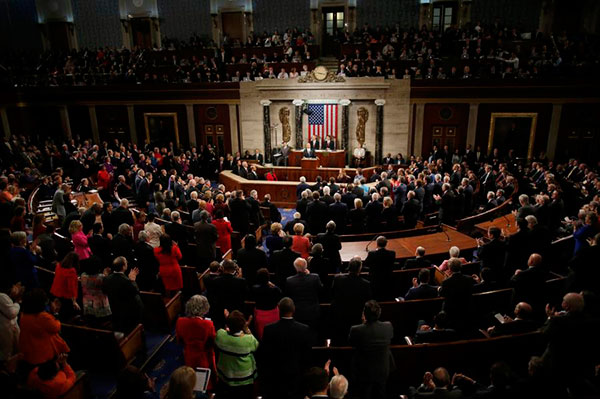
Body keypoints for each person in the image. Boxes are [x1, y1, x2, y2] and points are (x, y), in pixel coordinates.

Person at [260, 297, 312, 399]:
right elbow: (307, 357)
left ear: (279, 309)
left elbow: (264, 356)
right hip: (296, 379)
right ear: (294, 310)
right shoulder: (304, 330)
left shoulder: (269, 329)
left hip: (274, 380)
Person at [348, 300, 394, 399]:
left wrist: (363, 324)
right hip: (383, 370)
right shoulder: (388, 326)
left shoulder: (356, 330)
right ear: (379, 313)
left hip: (363, 372)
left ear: (364, 314)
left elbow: (352, 343)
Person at [19, 288, 70, 366]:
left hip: (28, 354)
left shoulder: (23, 315)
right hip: (42, 356)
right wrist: (55, 312)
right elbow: (56, 327)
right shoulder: (43, 317)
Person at [215, 310, 258, 399]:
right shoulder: (249, 340)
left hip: (225, 379)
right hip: (245, 380)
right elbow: (256, 345)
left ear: (228, 325)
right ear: (243, 325)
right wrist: (246, 329)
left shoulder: (220, 336)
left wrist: (228, 320)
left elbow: (223, 331)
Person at [331, 256, 373, 345]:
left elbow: (333, 294)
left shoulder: (337, 279)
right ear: (359, 269)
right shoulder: (365, 284)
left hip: (339, 316)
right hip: (356, 317)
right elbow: (368, 300)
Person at [176, 295, 216, 387]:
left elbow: (179, 340)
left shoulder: (180, 321)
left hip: (188, 354)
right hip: (203, 356)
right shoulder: (208, 324)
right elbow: (212, 342)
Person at [102, 256, 144, 333]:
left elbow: (104, 290)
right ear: (124, 266)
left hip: (115, 309)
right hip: (128, 311)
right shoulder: (126, 281)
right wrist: (132, 280)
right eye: (126, 263)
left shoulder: (107, 279)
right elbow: (135, 291)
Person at [285, 258, 323, 332]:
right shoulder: (315, 277)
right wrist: (309, 276)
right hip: (313, 311)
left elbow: (288, 294)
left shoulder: (289, 280)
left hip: (297, 312)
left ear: (295, 268)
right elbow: (321, 290)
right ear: (306, 267)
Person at [209, 259, 246, 329]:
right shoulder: (241, 281)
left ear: (223, 268)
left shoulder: (215, 281)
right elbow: (244, 296)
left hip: (220, 312)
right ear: (234, 269)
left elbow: (213, 297)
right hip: (236, 311)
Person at [439, 258, 474, 331]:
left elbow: (442, 294)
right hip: (467, 309)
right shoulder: (469, 279)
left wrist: (439, 288)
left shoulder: (446, 282)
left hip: (451, 312)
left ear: (450, 269)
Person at [250, 268, 282, 340]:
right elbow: (280, 293)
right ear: (268, 278)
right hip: (273, 314)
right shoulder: (274, 289)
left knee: (262, 337)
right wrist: (272, 285)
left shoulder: (254, 288)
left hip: (260, 315)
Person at [80, 257, 112, 325]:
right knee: (101, 324)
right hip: (100, 306)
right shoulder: (101, 277)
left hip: (87, 304)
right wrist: (106, 275)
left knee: (90, 323)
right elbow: (106, 289)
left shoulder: (83, 276)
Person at [50, 252, 81, 321]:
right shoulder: (71, 271)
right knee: (65, 315)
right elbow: (71, 287)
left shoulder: (58, 266)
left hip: (55, 291)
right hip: (64, 295)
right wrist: (74, 301)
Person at [365, 236, 396, 300]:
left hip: (374, 281)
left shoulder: (372, 254)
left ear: (377, 244)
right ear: (386, 244)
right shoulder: (392, 254)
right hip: (387, 280)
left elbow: (366, 264)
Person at [0, 280, 22, 363]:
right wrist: (17, 303)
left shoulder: (6, 298)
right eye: (14, 286)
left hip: (9, 335)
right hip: (4, 334)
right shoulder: (1, 296)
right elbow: (11, 313)